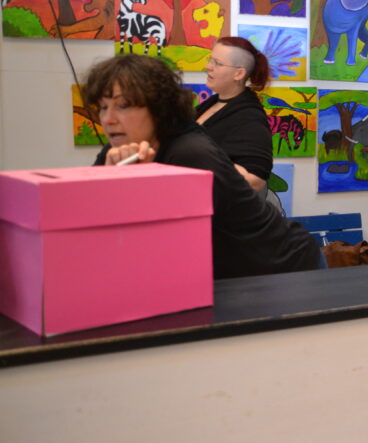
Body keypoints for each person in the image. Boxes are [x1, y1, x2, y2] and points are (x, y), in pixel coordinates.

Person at [83, 54, 321, 279]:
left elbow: (166, 240)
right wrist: (109, 180)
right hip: (231, 272)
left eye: (123, 106)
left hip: (284, 267)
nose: (108, 119)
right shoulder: (119, 149)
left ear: (158, 107)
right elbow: (88, 214)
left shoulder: (191, 153)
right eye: (103, 107)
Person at [195, 37, 272, 193]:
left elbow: (256, 180)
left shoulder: (250, 118)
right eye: (211, 60)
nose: (208, 66)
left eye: (217, 63)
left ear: (239, 73)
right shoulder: (210, 104)